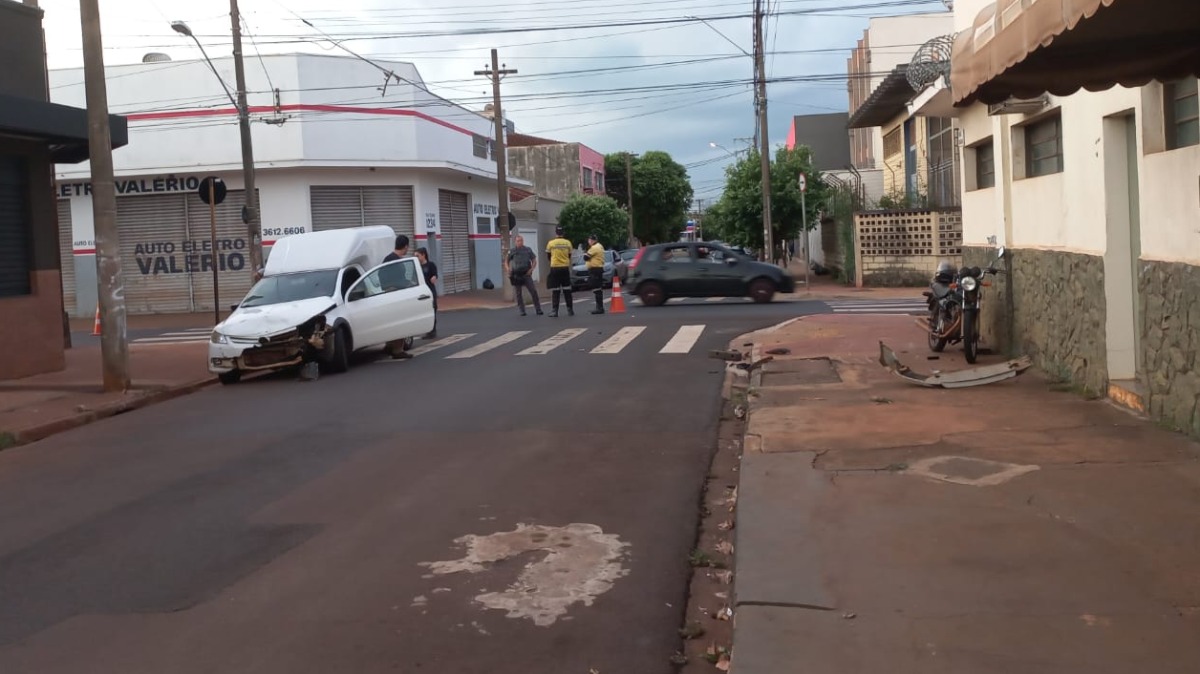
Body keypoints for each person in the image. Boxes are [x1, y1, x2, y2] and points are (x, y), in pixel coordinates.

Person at [506, 235, 543, 316]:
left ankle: (538, 309)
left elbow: (534, 260)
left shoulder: (528, 250)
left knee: (533, 291)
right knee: (518, 293)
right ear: (515, 242)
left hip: (526, 274)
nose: (520, 242)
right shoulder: (512, 251)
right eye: (518, 241)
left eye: (521, 240)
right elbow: (506, 261)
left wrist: (531, 269)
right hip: (516, 275)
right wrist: (508, 269)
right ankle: (522, 310)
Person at [545, 225, 574, 317]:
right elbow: (569, 255)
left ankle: (555, 311)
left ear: (556, 233)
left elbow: (548, 256)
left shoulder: (551, 243)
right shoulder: (568, 243)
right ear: (563, 233)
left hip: (555, 268)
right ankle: (570, 310)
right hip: (565, 268)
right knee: (567, 290)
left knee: (555, 290)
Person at [415, 246, 438, 339]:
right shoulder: (417, 267)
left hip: (430, 291)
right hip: (421, 292)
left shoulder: (430, 265)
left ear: (423, 255)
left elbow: (435, 274)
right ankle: (427, 330)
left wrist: (434, 277)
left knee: (432, 309)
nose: (416, 258)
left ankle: (432, 330)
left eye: (418, 256)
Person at [583, 233, 606, 315]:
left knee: (596, 288)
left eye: (589, 240)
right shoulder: (599, 246)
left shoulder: (594, 248)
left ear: (592, 240)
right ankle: (599, 307)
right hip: (598, 269)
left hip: (595, 270)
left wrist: (586, 253)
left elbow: (585, 257)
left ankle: (599, 308)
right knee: (597, 288)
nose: (588, 241)